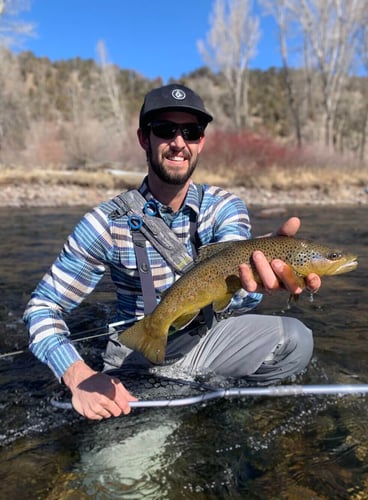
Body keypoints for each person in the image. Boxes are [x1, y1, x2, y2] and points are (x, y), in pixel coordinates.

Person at [24, 83, 321, 420]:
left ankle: (215, 403)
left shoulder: (224, 207)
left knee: (296, 340)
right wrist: (78, 374)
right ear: (143, 138)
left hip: (204, 340)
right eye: (165, 130)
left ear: (201, 142)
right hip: (136, 358)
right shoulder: (105, 223)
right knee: (128, 471)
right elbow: (42, 308)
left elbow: (239, 302)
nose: (179, 143)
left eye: (191, 132)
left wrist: (261, 270)